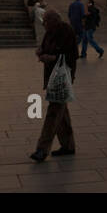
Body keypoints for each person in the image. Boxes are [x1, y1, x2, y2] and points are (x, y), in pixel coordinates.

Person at [30, 10, 78, 161]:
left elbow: (71, 55)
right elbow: (45, 47)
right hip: (51, 77)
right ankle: (68, 145)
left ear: (53, 21)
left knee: (53, 113)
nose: (43, 24)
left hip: (62, 78)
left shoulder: (66, 31)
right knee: (61, 113)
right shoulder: (49, 32)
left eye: (46, 21)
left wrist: (51, 57)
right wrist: (40, 52)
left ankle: (42, 149)